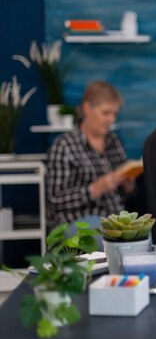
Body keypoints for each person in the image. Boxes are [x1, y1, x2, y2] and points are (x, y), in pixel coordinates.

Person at [46, 80, 135, 247]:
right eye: (105, 113)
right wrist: (95, 189)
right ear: (87, 108)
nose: (111, 120)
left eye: (114, 114)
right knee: (103, 237)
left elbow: (125, 193)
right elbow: (55, 200)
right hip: (76, 221)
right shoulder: (64, 145)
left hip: (113, 219)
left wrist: (128, 185)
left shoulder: (114, 141)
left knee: (146, 235)